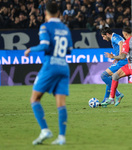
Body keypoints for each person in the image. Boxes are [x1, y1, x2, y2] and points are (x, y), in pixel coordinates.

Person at [24, 2, 73, 145]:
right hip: (64, 66)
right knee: (61, 103)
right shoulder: (65, 28)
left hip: (51, 65)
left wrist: (30, 49)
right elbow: (69, 50)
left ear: (46, 14)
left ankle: (45, 130)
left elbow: (44, 45)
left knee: (35, 99)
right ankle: (62, 137)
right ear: (59, 13)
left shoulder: (45, 26)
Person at [100, 27, 128, 106]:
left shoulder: (114, 37)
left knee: (104, 75)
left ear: (107, 34)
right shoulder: (116, 36)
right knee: (109, 78)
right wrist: (117, 57)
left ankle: (118, 94)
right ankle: (106, 100)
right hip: (123, 61)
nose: (103, 38)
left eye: (103, 36)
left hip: (124, 62)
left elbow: (121, 43)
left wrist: (119, 56)